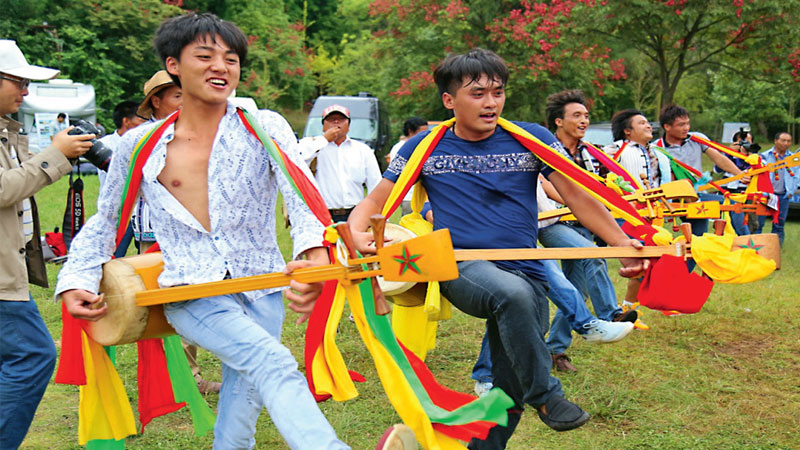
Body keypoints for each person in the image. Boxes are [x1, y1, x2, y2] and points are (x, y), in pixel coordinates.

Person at [55, 13, 350, 449]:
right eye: (205, 56)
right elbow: (106, 220)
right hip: (190, 291)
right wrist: (76, 278)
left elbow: (300, 191)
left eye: (231, 58)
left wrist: (315, 250)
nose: (221, 67)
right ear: (174, 64)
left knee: (243, 397)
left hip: (263, 286)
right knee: (274, 364)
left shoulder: (262, 126)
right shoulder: (140, 144)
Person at [348, 48, 648, 448]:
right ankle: (547, 396)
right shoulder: (422, 148)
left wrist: (622, 244)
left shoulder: (532, 139)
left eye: (498, 91)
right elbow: (373, 203)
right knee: (512, 295)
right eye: (477, 93)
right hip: (463, 266)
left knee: (507, 390)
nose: (490, 103)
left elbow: (577, 197)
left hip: (528, 268)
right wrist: (355, 232)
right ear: (449, 101)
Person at [0, 39, 96, 450]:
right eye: (18, 82)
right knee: (33, 356)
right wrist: (53, 155)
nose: (25, 92)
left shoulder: (7, 130)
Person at [653, 105, 746, 239]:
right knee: (730, 204)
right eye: (681, 125)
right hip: (678, 199)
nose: (686, 128)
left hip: (699, 195)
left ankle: (741, 243)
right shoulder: (657, 148)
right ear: (667, 127)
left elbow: (719, 158)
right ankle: (745, 241)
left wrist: (739, 174)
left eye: (688, 123)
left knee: (697, 237)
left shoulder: (696, 139)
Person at [297, 104, 382, 222]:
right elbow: (297, 158)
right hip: (322, 214)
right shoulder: (312, 145)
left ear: (348, 126)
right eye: (331, 120)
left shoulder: (362, 150)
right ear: (323, 126)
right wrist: (324, 139)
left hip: (355, 214)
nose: (336, 123)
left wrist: (378, 214)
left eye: (341, 120)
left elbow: (375, 184)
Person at [755, 131, 798, 246]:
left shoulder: (793, 159)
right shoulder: (764, 156)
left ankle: (776, 247)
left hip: (783, 195)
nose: (786, 143)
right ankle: (756, 246)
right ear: (775, 141)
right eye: (783, 140)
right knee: (759, 222)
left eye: (788, 141)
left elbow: (797, 176)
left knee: (779, 223)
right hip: (766, 194)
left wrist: (791, 191)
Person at [714, 129, 759, 235]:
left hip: (745, 192)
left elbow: (751, 169)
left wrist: (748, 154)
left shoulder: (756, 158)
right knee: (724, 221)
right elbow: (717, 169)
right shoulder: (727, 155)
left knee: (747, 223)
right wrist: (729, 152)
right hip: (726, 191)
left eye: (747, 142)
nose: (744, 145)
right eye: (741, 142)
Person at [97, 101, 146, 188]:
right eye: (142, 121)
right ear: (126, 121)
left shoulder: (147, 143)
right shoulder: (104, 145)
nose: (146, 125)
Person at [388, 116, 428, 215]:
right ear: (410, 131)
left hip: (423, 198)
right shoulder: (400, 148)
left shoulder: (423, 145)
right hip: (408, 197)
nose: (426, 136)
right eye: (422, 132)